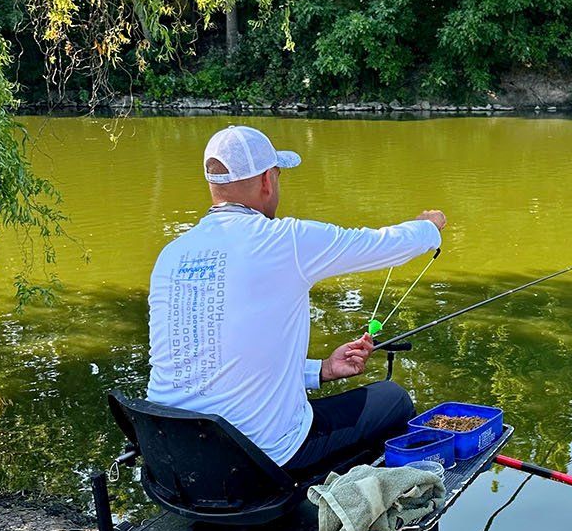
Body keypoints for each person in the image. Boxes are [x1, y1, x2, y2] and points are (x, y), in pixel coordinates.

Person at [147, 124, 445, 481]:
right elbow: (380, 244)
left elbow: (216, 358)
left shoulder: (171, 255)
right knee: (392, 400)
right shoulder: (282, 241)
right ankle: (339, 504)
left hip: (173, 465)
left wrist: (320, 370)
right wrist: (429, 227)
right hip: (256, 469)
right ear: (267, 180)